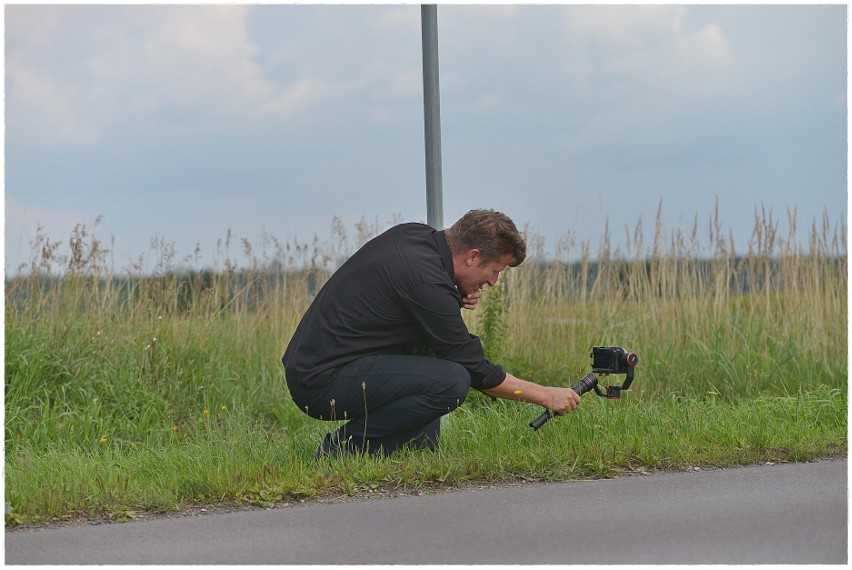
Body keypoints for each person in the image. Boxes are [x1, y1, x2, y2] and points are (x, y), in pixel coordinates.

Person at [282, 209, 581, 458]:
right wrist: (545, 395)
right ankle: (341, 450)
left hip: (323, 365)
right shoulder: (426, 283)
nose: (493, 282)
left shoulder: (414, 237)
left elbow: (411, 311)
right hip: (320, 384)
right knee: (453, 380)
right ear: (473, 257)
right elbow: (477, 371)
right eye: (495, 270)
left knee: (437, 358)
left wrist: (452, 295)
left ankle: (416, 450)